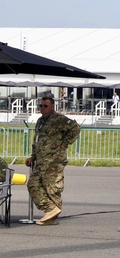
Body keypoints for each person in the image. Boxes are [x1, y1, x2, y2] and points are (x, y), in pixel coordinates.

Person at [26, 96, 80, 226]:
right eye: (41, 106)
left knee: (52, 188)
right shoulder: (40, 121)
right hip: (41, 161)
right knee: (33, 184)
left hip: (54, 160)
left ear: (52, 107)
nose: (42, 108)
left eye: (45, 106)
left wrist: (65, 143)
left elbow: (75, 128)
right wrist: (33, 156)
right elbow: (37, 141)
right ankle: (50, 209)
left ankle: (52, 216)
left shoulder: (59, 119)